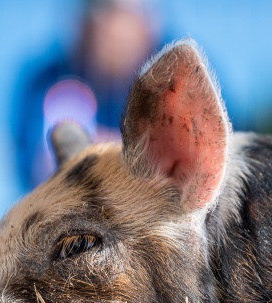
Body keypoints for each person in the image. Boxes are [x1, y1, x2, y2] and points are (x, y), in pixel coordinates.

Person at [11, 0, 161, 194]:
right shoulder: (45, 81)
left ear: (149, 23)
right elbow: (32, 165)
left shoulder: (180, 72)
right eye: (103, 10)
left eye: (124, 15)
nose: (113, 28)